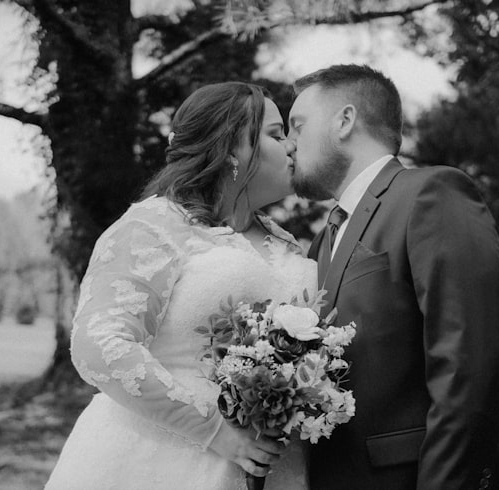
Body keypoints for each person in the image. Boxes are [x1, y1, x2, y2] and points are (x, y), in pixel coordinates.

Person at [44, 82, 312, 489]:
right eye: (276, 135)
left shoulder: (285, 241)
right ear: (230, 149)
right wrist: (215, 430)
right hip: (161, 462)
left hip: (281, 467)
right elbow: (99, 345)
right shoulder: (154, 225)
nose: (293, 145)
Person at [288, 64, 499, 489]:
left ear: (344, 121)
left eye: (297, 125)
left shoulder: (430, 194)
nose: (290, 145)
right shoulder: (322, 241)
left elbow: (470, 369)